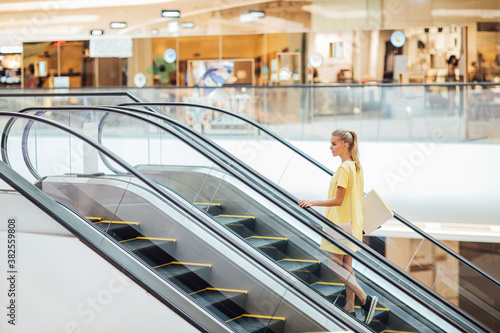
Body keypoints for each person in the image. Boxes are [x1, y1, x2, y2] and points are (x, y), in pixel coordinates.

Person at [298, 129, 378, 324]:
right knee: (347, 266)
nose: (330, 147)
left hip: (340, 223)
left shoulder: (344, 169)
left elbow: (338, 200)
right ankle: (350, 308)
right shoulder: (357, 166)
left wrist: (313, 202)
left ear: (346, 145)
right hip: (353, 223)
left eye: (334, 143)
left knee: (333, 265)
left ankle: (365, 298)